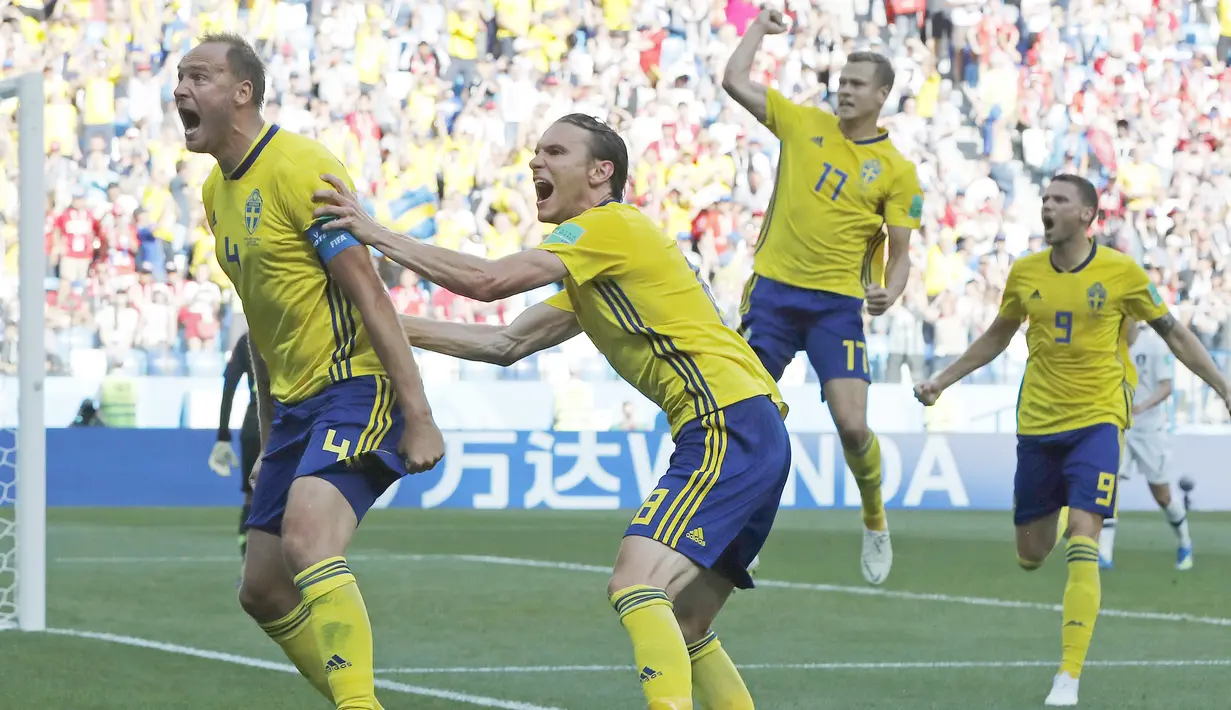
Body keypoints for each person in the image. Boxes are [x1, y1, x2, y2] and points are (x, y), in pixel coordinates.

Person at [312, 113, 791, 710]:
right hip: (752, 427)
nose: (536, 162)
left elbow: (488, 281)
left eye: (555, 152)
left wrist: (373, 232)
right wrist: (375, 325)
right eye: (536, 152)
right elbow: (503, 344)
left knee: (635, 583)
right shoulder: (604, 263)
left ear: (600, 172)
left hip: (726, 424)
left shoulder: (610, 227)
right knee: (688, 624)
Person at [176, 33, 444, 710]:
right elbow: (263, 328)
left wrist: (418, 415)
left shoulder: (303, 168)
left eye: (199, 77)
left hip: (358, 384)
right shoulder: (216, 193)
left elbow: (371, 295)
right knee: (262, 590)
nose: (180, 90)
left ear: (242, 93)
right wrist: (270, 446)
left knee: (307, 541)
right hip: (296, 407)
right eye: (179, 78)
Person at [912, 175, 1231, 707]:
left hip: (1099, 418)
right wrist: (942, 379)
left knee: (1086, 533)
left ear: (1087, 216)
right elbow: (997, 335)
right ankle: (1063, 509)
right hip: (1038, 422)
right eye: (1044, 199)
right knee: (1031, 554)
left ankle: (1069, 675)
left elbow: (1173, 331)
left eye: (1059, 200)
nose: (1046, 206)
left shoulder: (1122, 273)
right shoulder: (1025, 273)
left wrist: (1222, 385)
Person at [721, 8, 924, 585]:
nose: (845, 91)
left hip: (836, 306)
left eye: (858, 84)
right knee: (747, 413)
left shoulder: (896, 171)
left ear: (883, 95)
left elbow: (901, 250)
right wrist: (758, 29)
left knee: (852, 426)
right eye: (842, 81)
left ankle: (875, 519)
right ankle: (746, 528)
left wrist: (891, 291)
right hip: (774, 295)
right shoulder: (801, 122)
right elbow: (735, 81)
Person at [1099, 322, 1194, 571]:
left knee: (1162, 496)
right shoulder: (1111, 344)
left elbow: (1166, 386)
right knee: (1110, 485)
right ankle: (1104, 554)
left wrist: (1142, 406)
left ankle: (1185, 543)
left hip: (1149, 431)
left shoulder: (1153, 346)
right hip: (1120, 428)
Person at [208, 330, 260, 560]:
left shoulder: (247, 339)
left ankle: (247, 565)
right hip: (287, 421)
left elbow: (228, 386)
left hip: (254, 424)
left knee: (252, 494)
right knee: (290, 494)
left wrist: (223, 436)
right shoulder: (291, 328)